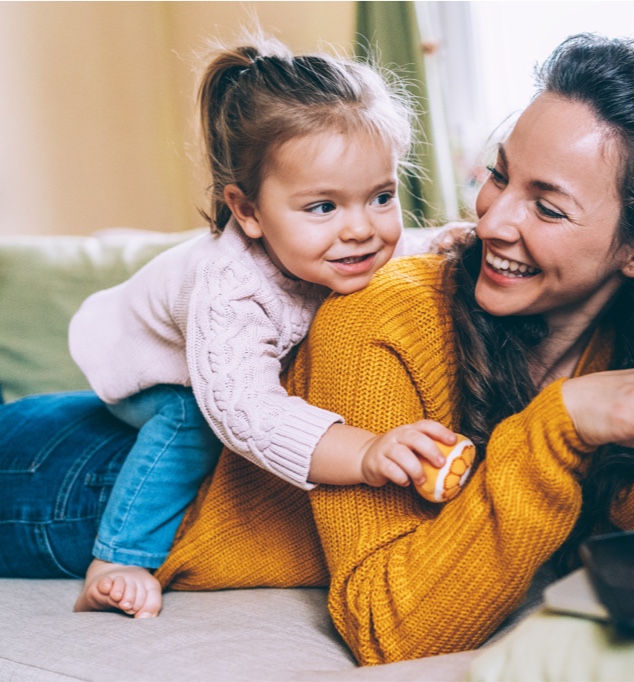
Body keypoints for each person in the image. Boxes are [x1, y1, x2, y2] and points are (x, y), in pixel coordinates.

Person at [0, 34, 634, 664]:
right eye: (499, 174)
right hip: (76, 486)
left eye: (546, 206)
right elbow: (386, 624)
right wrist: (558, 426)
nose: (494, 218)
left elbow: (624, 514)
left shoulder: (614, 345)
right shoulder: (380, 314)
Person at [57, 36, 458, 619]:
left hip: (211, 354)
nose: (362, 230)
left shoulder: (354, 249)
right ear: (246, 211)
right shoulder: (232, 291)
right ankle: (119, 555)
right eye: (323, 207)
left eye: (381, 196)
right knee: (191, 419)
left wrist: (456, 245)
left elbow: (414, 248)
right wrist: (365, 451)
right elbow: (249, 416)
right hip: (144, 366)